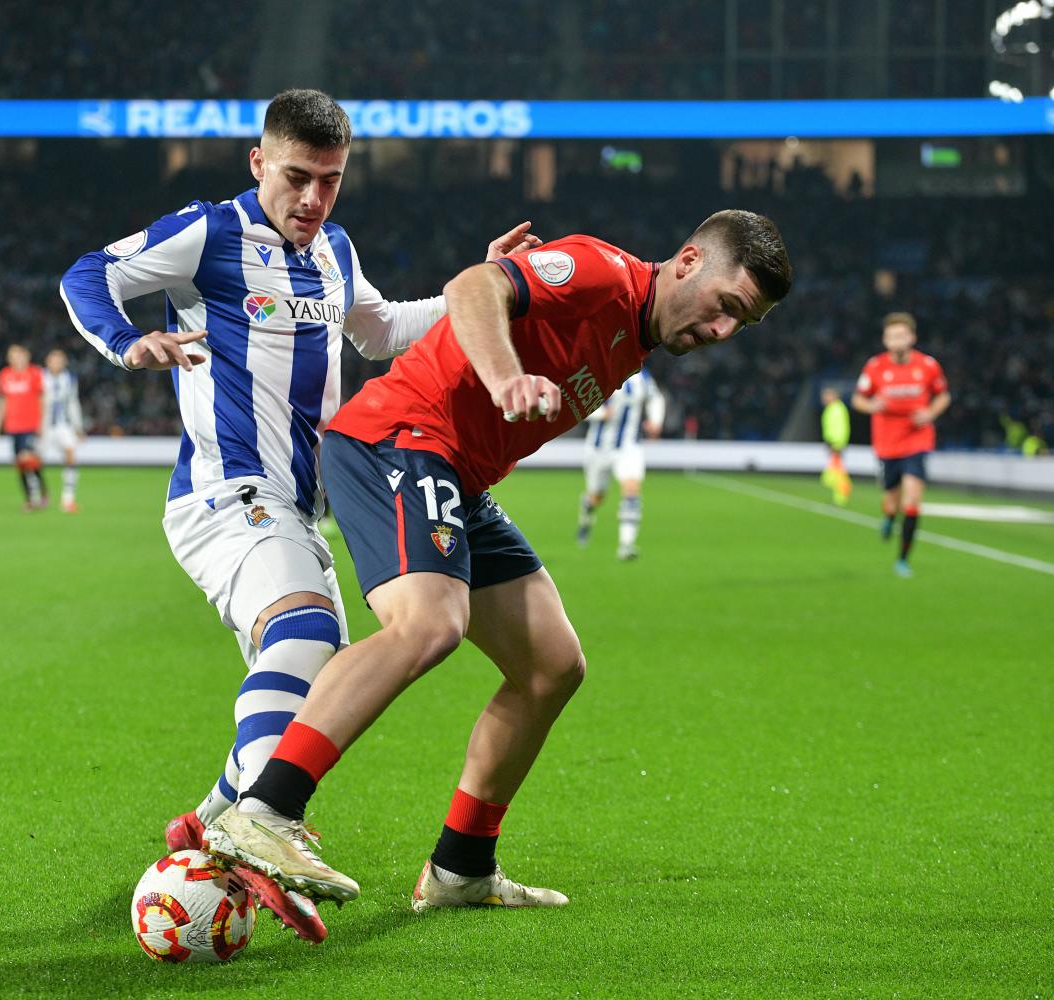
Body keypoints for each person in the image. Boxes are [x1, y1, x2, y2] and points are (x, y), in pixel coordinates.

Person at [204, 211, 792, 913]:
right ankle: (265, 808)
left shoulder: (635, 334)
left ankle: (461, 867)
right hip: (398, 438)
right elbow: (473, 287)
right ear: (689, 261)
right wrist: (506, 375)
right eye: (727, 307)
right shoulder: (605, 274)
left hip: (459, 476)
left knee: (552, 665)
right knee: (429, 625)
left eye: (742, 325)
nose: (724, 331)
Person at [59, 88, 540, 942]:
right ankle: (254, 826)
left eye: (331, 181)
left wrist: (483, 288)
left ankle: (212, 828)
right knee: (309, 638)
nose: (313, 199)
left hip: (298, 506)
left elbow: (384, 329)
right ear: (258, 164)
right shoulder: (208, 233)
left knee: (320, 672)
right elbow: (87, 274)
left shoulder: (334, 250)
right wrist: (128, 340)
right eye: (297, 177)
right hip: (226, 496)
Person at [851, 312, 950, 578]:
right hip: (887, 443)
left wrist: (930, 413)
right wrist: (872, 405)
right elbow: (858, 399)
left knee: (913, 500)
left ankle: (903, 559)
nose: (897, 340)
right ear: (885, 340)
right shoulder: (875, 367)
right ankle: (888, 517)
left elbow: (943, 396)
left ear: (912, 338)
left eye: (902, 335)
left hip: (917, 439)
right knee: (892, 501)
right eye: (892, 335)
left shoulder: (928, 365)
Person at [576, 368, 665, 560]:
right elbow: (577, 404)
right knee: (597, 496)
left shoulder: (642, 377)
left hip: (629, 446)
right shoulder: (601, 370)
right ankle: (587, 511)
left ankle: (626, 544)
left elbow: (656, 397)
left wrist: (655, 421)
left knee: (632, 488)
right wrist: (600, 413)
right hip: (599, 449)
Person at [0, 344, 45, 511]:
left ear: (26, 356)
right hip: (13, 425)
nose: (16, 359)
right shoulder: (5, 375)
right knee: (20, 464)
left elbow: (42, 400)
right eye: (12, 356)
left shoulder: (35, 373)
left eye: (18, 355)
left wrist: (41, 422)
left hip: (30, 424)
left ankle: (35, 499)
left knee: (27, 459)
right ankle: (32, 495)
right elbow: (2, 402)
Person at [40, 349, 86, 513]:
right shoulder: (39, 377)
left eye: (59, 360)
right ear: (47, 362)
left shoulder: (69, 379)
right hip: (42, 425)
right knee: (35, 462)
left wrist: (78, 427)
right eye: (53, 360)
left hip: (62, 424)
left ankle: (68, 499)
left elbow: (73, 403)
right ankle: (39, 496)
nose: (56, 364)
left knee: (70, 455)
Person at [819, 386, 852, 506]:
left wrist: (837, 444)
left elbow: (840, 428)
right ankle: (839, 496)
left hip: (836, 444)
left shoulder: (836, 409)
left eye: (826, 395)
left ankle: (841, 497)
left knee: (837, 473)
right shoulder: (832, 408)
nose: (823, 398)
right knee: (837, 472)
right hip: (833, 443)